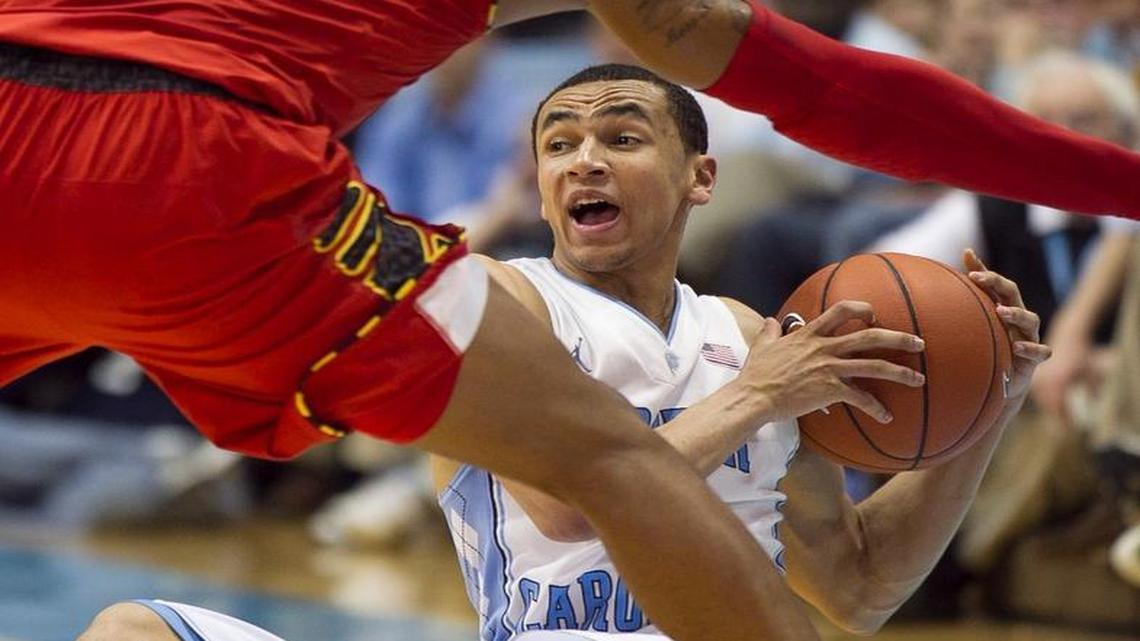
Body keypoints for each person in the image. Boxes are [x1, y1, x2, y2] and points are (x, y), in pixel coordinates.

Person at [0, 1, 1131, 638]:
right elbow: (567, 496)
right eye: (558, 142)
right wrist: (755, 401)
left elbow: (861, 584)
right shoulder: (507, 297)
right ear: (536, 185)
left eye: (622, 136)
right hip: (187, 146)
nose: (584, 158)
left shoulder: (759, 331)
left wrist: (987, 405)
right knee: (134, 627)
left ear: (699, 176)